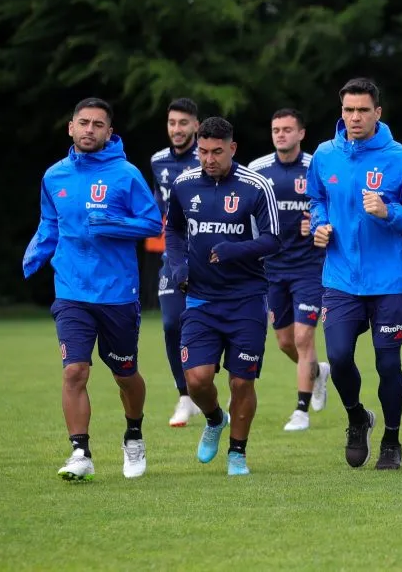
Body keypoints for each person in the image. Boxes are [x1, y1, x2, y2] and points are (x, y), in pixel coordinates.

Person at [23, 97, 162, 480]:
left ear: (109, 132)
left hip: (117, 293)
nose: (89, 130)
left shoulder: (126, 174)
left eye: (97, 125)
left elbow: (152, 224)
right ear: (71, 127)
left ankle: (134, 434)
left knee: (124, 374)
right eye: (83, 123)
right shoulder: (54, 176)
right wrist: (36, 252)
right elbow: (50, 224)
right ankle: (80, 452)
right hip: (70, 290)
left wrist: (114, 224)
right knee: (74, 372)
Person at [307, 78, 402, 470]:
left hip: (390, 280)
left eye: (363, 110)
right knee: (339, 355)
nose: (355, 117)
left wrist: (390, 213)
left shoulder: (400, 158)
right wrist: (320, 223)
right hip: (341, 277)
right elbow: (317, 198)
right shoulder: (324, 155)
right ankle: (356, 417)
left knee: (387, 364)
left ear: (377, 112)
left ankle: (392, 441)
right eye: (348, 110)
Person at [165, 117, 281, 476]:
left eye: (217, 151)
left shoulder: (256, 186)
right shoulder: (184, 185)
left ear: (232, 148)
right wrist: (178, 268)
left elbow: (274, 240)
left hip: (246, 297)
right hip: (201, 298)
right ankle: (215, 419)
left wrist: (235, 250)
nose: (209, 158)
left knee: (241, 380)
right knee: (196, 379)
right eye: (203, 151)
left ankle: (237, 453)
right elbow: (173, 232)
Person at [248, 108, 331, 432]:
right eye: (275, 129)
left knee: (302, 336)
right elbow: (247, 213)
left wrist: (322, 224)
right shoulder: (258, 170)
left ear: (301, 134)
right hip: (272, 268)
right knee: (284, 342)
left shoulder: (317, 167)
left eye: (287, 129)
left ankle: (301, 411)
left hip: (310, 266)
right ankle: (318, 371)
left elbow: (336, 206)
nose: (280, 134)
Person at [149, 97, 203, 428]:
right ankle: (184, 396)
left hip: (211, 257)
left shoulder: (210, 156)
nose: (177, 129)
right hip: (174, 255)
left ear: (196, 125)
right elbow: (158, 202)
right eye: (172, 123)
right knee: (171, 323)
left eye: (183, 123)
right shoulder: (157, 161)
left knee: (211, 323)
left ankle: (210, 386)